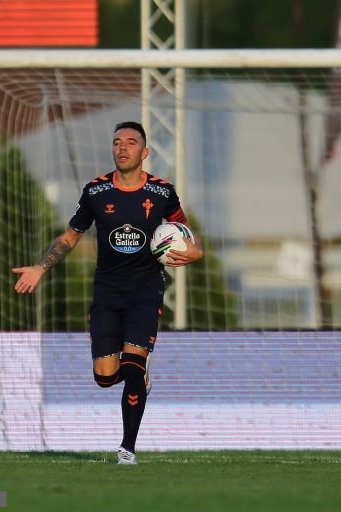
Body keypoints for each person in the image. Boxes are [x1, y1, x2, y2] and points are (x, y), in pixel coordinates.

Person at [12, 121, 203, 464]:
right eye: (117, 142)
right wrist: (40, 267)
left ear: (144, 153)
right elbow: (70, 237)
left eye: (131, 142)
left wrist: (195, 252)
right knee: (105, 378)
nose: (123, 147)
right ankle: (136, 375)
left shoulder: (162, 192)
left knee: (132, 367)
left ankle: (127, 449)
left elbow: (185, 232)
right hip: (107, 293)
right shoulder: (96, 192)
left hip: (146, 292)